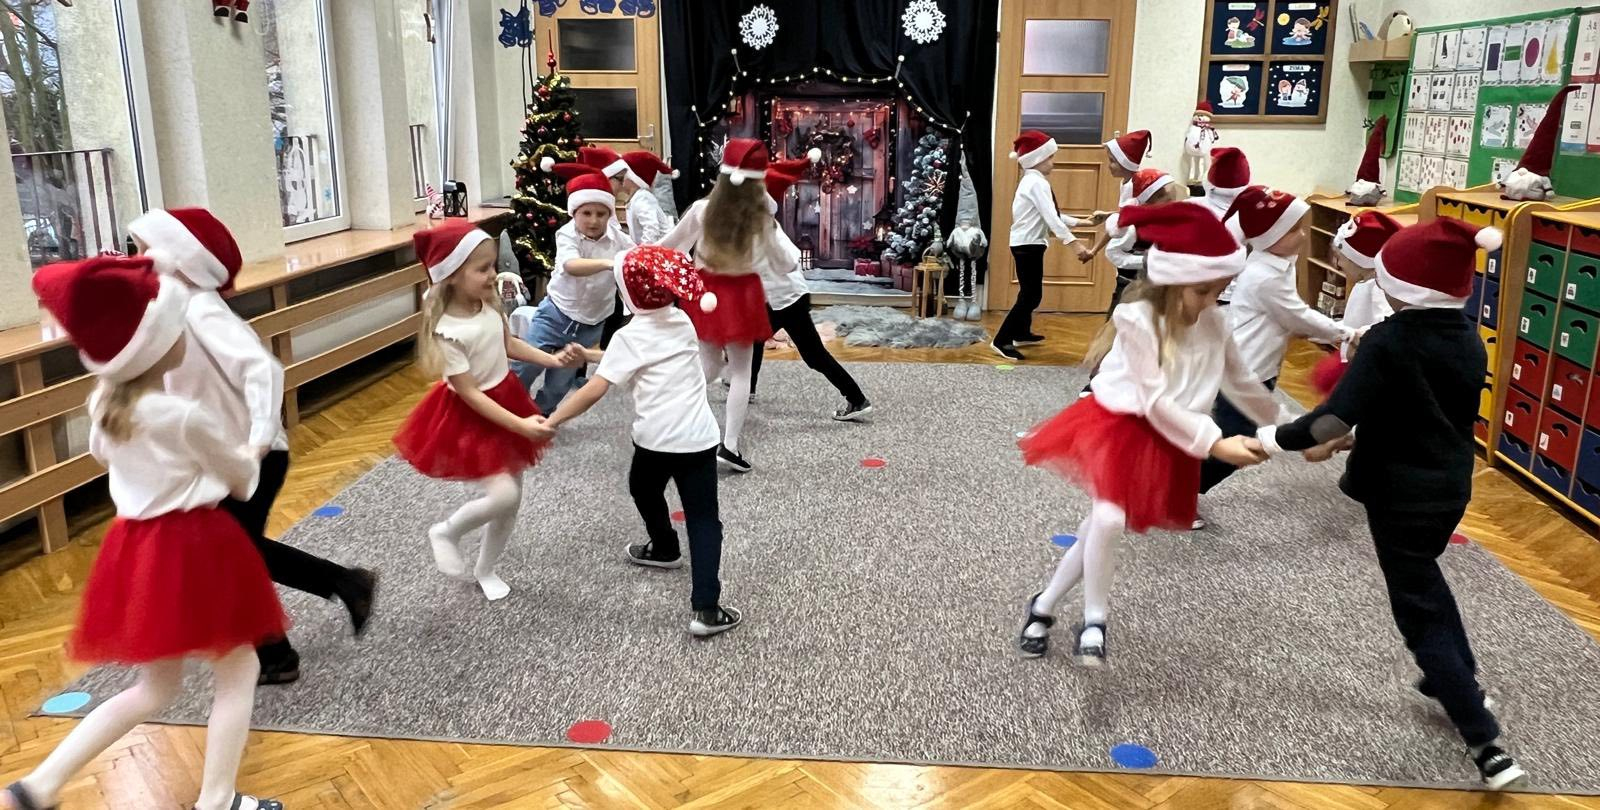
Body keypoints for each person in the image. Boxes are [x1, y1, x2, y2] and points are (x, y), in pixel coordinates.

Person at [1253, 218, 1528, 790]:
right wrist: (1355, 437)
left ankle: (1484, 740)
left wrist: (1272, 439)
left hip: (1399, 494)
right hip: (1448, 487)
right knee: (1425, 580)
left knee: (1416, 608)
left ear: (1404, 287)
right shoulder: (1468, 336)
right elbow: (1419, 411)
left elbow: (1329, 420)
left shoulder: (1388, 339)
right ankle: (1450, 677)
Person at [6, 256, 287, 810]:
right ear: (154, 346)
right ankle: (218, 799)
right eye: (177, 329)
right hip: (195, 547)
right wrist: (251, 449)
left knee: (154, 688)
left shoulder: (102, 405)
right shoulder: (181, 415)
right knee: (240, 668)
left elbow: (106, 457)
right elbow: (242, 483)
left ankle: (36, 786)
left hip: (136, 550)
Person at [1013, 202, 1274, 665]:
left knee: (1096, 528)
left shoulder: (1215, 321)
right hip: (1120, 426)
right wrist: (1215, 443)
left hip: (1168, 435)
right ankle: (1094, 620)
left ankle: (1044, 605)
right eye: (1203, 290)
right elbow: (1152, 399)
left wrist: (1295, 428)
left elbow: (1243, 382)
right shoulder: (1136, 319)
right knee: (1109, 519)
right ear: (1171, 282)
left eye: (1220, 289)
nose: (1212, 300)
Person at [128, 207, 377, 687]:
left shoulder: (200, 309)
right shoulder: (171, 309)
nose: (137, 259)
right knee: (234, 553)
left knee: (229, 555)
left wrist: (261, 435)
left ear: (182, 257)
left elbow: (263, 369)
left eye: (145, 248)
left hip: (255, 457)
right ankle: (336, 593)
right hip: (221, 458)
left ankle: (286, 645)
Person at [543, 245, 743, 637]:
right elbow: (643, 352)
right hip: (698, 440)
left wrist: (553, 419)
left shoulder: (628, 336)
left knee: (643, 489)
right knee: (703, 520)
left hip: (654, 442)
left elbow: (596, 387)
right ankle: (707, 608)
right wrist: (591, 354)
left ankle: (664, 545)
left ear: (628, 294)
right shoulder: (681, 321)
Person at [393, 220, 583, 601]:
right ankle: (446, 531)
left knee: (512, 500)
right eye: (482, 269)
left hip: (505, 398)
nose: (493, 274)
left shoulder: (489, 304)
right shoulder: (447, 330)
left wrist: (551, 359)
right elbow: (469, 394)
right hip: (472, 416)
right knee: (503, 495)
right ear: (451, 275)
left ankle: (486, 568)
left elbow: (508, 345)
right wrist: (521, 426)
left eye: (492, 265)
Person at [1194, 187, 1350, 518]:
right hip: (1245, 372)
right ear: (1269, 237)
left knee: (1240, 431)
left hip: (1255, 368)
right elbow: (1297, 316)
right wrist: (1345, 333)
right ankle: (1180, 490)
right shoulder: (1265, 276)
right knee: (1236, 441)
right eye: (1293, 230)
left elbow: (1292, 317)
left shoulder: (1277, 265)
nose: (1303, 235)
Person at [657, 138, 786, 473]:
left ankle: (674, 422)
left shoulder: (702, 210)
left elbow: (669, 246)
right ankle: (729, 445)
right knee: (740, 371)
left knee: (708, 364)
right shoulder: (761, 218)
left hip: (705, 293)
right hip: (742, 294)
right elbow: (784, 263)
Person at [748, 155, 873, 421]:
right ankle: (747, 387)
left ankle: (857, 399)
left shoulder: (763, 229)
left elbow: (789, 259)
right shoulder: (764, 225)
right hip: (783, 297)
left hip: (787, 300)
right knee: (754, 338)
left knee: (814, 356)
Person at [516, 165, 634, 413]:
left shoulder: (619, 239)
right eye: (586, 213)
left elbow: (636, 257)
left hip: (591, 324)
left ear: (610, 214)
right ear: (574, 212)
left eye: (601, 214)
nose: (594, 220)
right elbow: (571, 265)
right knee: (526, 365)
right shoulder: (567, 234)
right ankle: (507, 409)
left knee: (560, 382)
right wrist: (611, 263)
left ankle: (542, 414)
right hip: (555, 314)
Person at [994, 130, 1107, 361]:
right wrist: (1076, 246)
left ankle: (1021, 333)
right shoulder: (1036, 183)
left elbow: (1052, 214)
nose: (1053, 162)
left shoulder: (1033, 181)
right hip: (1027, 245)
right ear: (1037, 158)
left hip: (1029, 244)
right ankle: (1001, 340)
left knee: (1030, 293)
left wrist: (1085, 222)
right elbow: (1052, 219)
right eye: (1050, 157)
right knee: (1031, 295)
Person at [1312, 210, 1405, 393]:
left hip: (1364, 363)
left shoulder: (1379, 289)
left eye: (1340, 259)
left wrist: (1354, 334)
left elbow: (1386, 324)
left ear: (1360, 261)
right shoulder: (1365, 283)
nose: (1338, 265)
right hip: (1353, 356)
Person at [621, 150, 678, 246]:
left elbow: (651, 228)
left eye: (622, 176)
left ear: (632, 178)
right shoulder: (635, 198)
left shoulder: (643, 198)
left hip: (662, 250)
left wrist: (643, 251)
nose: (620, 180)